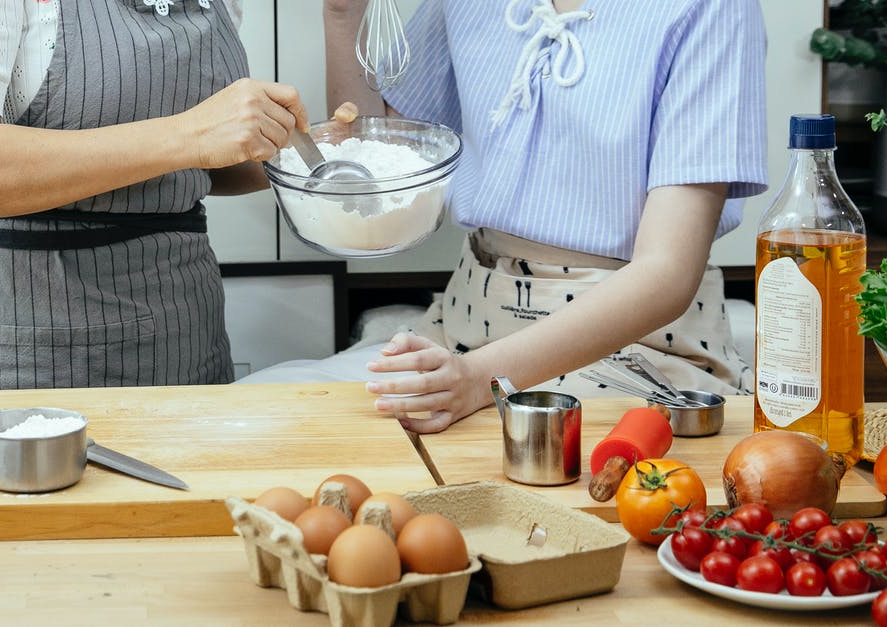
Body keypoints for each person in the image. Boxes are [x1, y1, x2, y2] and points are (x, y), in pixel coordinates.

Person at [252, 0, 767, 433]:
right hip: (464, 328)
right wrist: (343, 13)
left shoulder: (710, 9)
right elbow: (384, 150)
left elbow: (667, 273)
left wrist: (480, 379)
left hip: (637, 352)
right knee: (271, 416)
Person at [0, 0, 310, 402]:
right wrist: (194, 134)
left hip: (184, 338)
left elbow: (193, 164)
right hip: (17, 348)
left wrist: (310, 158)